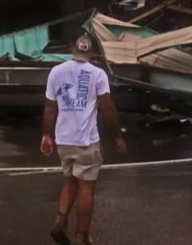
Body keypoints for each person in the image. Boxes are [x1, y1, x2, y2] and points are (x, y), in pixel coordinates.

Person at [41, 35, 126, 245]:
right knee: (86, 187)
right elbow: (107, 107)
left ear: (72, 48)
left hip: (64, 140)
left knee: (70, 180)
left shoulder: (56, 72)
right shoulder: (98, 74)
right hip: (86, 140)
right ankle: (82, 236)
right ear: (92, 53)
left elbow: (50, 107)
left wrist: (46, 135)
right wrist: (117, 135)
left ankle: (60, 221)